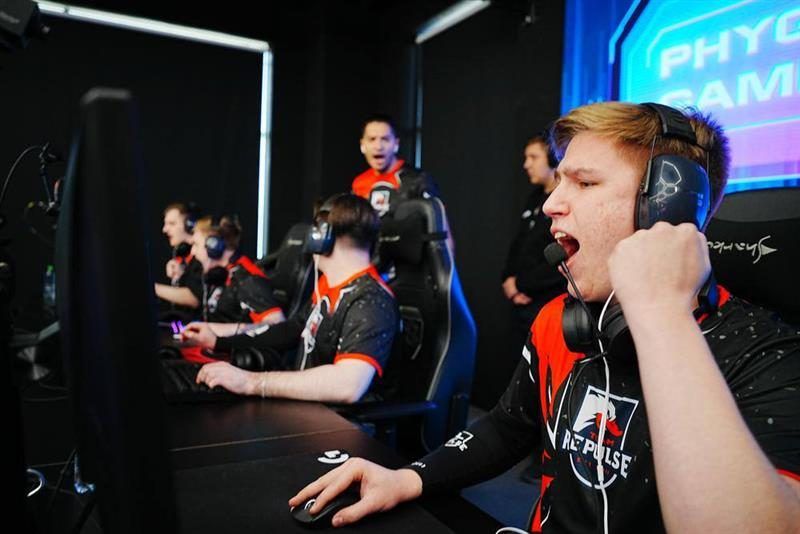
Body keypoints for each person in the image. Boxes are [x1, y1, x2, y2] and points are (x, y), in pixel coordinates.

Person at [288, 102, 800, 532]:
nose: (553, 203)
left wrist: (663, 314)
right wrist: (409, 477)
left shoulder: (766, 356)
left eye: (585, 183)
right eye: (558, 182)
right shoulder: (561, 320)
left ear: (668, 208)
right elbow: (506, 428)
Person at [182, 194, 400, 404]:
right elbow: (289, 330)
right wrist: (219, 342)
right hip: (306, 409)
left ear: (321, 238)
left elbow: (348, 385)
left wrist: (251, 382)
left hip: (337, 423)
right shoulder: (328, 284)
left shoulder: (370, 299)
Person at [189, 215, 284, 327]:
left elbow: (277, 324)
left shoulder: (246, 279)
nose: (192, 252)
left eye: (196, 245)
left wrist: (219, 331)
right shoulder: (220, 274)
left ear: (214, 246)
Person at [154, 202, 202, 310]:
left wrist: (153, 289)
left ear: (190, 225)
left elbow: (194, 298)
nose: (164, 229)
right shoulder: (182, 257)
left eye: (172, 224)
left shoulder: (202, 256)